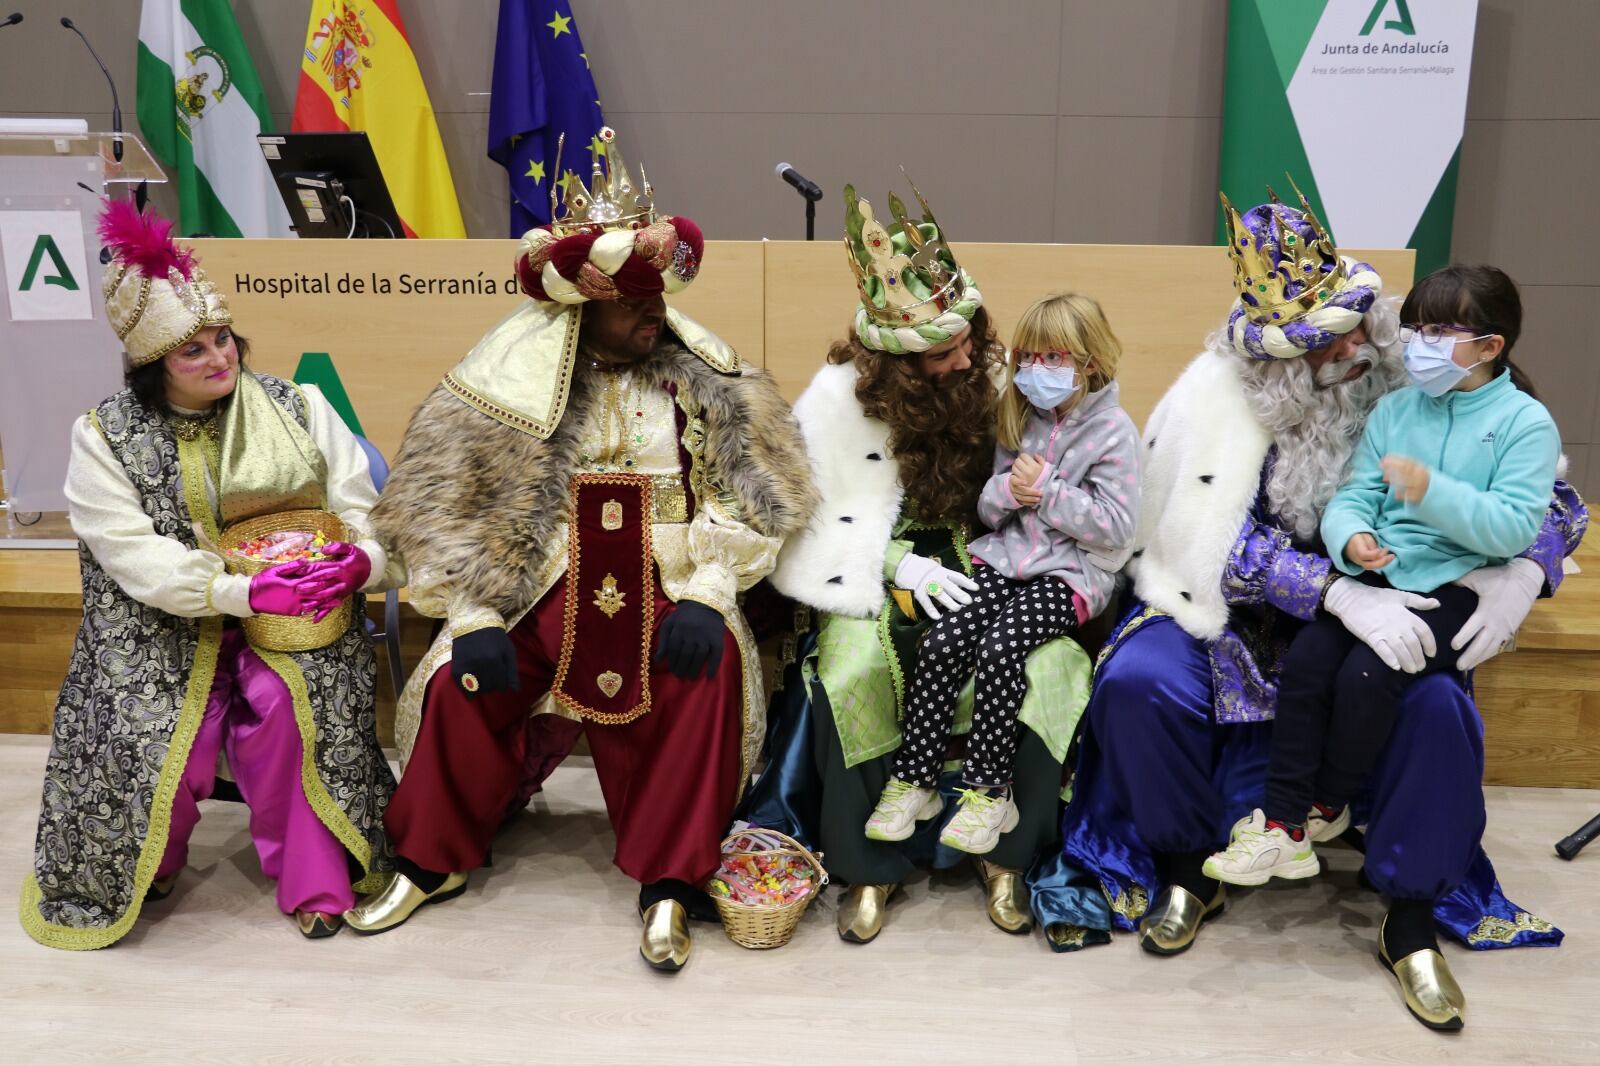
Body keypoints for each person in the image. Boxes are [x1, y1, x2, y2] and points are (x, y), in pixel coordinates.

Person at [1029, 189, 1587, 1032]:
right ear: (1284, 359)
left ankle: (1408, 919)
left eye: (1363, 324)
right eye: (1335, 340)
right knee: (1140, 681)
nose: (1363, 347)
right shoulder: (1213, 398)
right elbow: (1206, 540)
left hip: (1402, 602)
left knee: (1436, 707)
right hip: (1238, 615)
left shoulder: (1424, 370)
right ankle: (1188, 870)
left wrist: (1523, 575)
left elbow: (1553, 499)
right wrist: (1331, 589)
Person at [343, 128, 814, 973]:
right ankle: (429, 860)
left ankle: (670, 880)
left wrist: (710, 592)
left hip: (670, 573)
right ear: (581, 306)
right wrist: (478, 610)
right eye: (633, 301)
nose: (654, 315)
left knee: (704, 680)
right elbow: (450, 509)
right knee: (458, 680)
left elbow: (750, 497)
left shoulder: (702, 381)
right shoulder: (506, 384)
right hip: (541, 581)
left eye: (658, 298)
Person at [21, 203, 399, 948]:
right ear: (152, 367)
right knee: (161, 729)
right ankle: (143, 857)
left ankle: (316, 880)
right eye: (192, 352)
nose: (219, 359)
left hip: (297, 616)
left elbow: (366, 514)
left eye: (223, 340)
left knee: (293, 714)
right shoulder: (103, 436)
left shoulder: (301, 406)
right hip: (158, 622)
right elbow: (132, 553)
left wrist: (363, 564)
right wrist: (237, 591)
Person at [750, 182, 1095, 943]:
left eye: (971, 338)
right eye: (948, 353)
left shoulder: (997, 380)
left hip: (999, 558)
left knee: (1048, 671)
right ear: (900, 364)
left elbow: (1076, 467)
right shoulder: (838, 400)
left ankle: (1005, 854)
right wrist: (899, 566)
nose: (970, 357)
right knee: (850, 675)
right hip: (882, 571)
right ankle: (872, 868)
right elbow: (811, 523)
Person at [1206, 265, 1559, 886]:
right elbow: (1355, 494)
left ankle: (1326, 804)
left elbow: (1511, 528)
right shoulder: (1396, 409)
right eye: (1417, 327)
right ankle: (1282, 827)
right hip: (1377, 574)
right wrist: (1352, 538)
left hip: (1455, 584)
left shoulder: (1524, 423)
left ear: (1489, 344)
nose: (1417, 342)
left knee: (1371, 673)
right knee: (1312, 661)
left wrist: (1431, 494)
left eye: (1439, 330)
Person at [867, 294, 1137, 854]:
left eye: (1053, 359)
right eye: (1027, 359)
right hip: (1004, 557)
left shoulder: (1114, 432)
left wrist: (1048, 493)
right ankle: (917, 781)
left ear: (1088, 361)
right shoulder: (1020, 416)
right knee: (942, 639)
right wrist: (1007, 491)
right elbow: (986, 512)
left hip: (1072, 576)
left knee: (1001, 648)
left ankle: (990, 791)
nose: (1036, 373)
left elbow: (1115, 529)